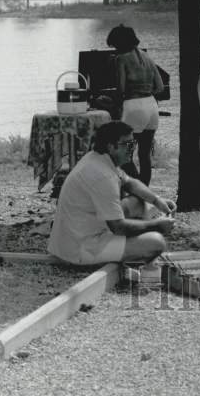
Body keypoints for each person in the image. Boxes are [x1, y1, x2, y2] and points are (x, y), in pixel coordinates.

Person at [48, 120, 176, 268]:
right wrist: (156, 226)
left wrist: (157, 200)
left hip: (78, 234)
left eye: (133, 143)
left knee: (137, 203)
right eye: (127, 145)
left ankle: (126, 248)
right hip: (80, 248)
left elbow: (129, 182)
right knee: (156, 242)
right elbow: (118, 227)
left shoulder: (97, 157)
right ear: (111, 146)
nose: (132, 148)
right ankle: (122, 258)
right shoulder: (102, 176)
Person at [105, 24, 165, 186]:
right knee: (144, 155)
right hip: (152, 107)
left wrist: (108, 101)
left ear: (119, 43)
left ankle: (137, 186)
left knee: (124, 156)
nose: (115, 49)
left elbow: (121, 89)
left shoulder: (121, 59)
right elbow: (160, 87)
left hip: (133, 108)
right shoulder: (147, 58)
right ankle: (144, 190)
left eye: (115, 45)